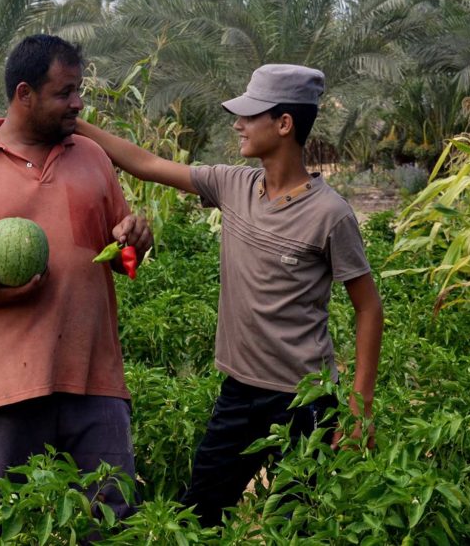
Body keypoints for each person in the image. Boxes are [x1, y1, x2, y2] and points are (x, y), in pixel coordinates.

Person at [75, 63, 384, 527]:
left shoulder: (330, 214)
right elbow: (147, 163)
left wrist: (359, 409)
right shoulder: (233, 185)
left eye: (249, 115)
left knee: (299, 525)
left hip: (304, 402)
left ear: (284, 125)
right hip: (238, 392)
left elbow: (369, 308)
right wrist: (74, 123)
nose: (237, 124)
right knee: (199, 512)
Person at [0, 35, 152, 533]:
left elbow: (122, 261)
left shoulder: (92, 158)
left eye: (78, 90)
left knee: (112, 526)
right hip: (3, 390)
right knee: (10, 529)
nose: (78, 103)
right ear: (24, 94)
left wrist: (135, 241)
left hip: (95, 382)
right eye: (65, 92)